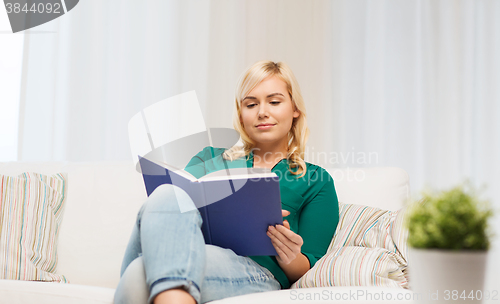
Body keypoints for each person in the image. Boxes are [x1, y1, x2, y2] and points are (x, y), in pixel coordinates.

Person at [114, 61, 339, 304]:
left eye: (274, 102)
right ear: (241, 115)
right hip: (188, 250)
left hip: (253, 272)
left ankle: (169, 290)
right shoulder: (209, 157)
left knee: (139, 274)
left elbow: (308, 266)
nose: (262, 112)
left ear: (295, 109)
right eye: (251, 104)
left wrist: (289, 255)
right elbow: (170, 217)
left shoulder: (316, 180)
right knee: (168, 193)